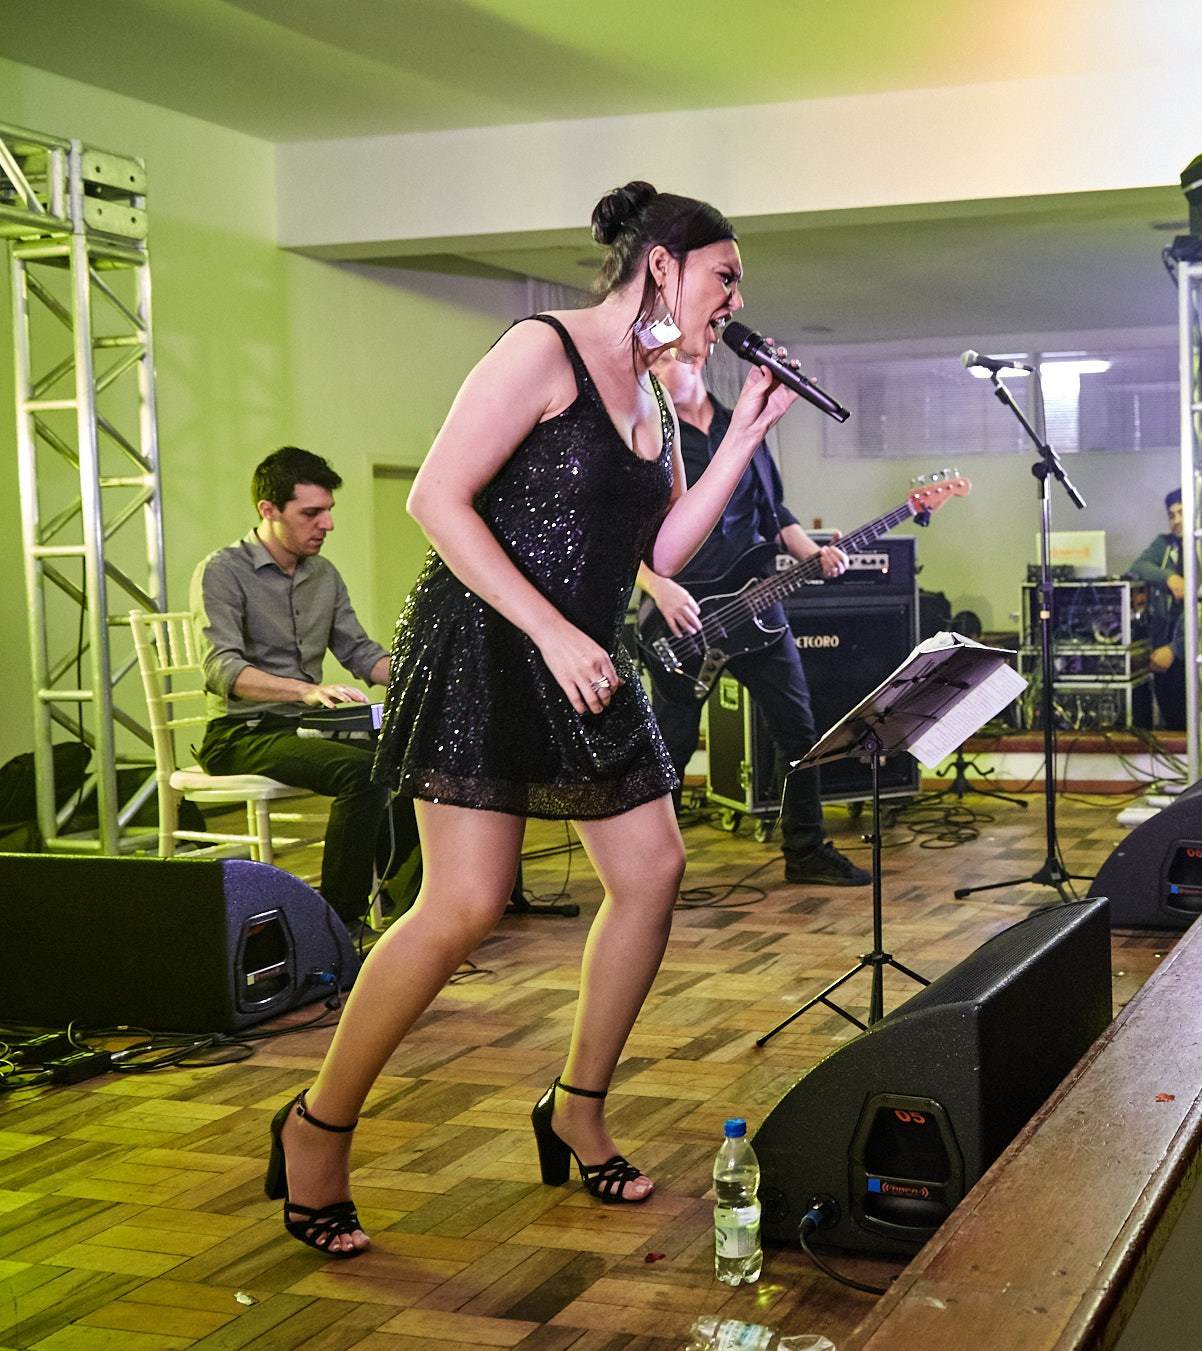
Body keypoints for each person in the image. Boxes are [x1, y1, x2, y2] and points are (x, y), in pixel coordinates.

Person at [263, 183, 800, 1258]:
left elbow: (666, 548)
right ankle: (317, 1125)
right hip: (487, 645)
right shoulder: (542, 348)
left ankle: (576, 1106)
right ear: (661, 265)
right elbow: (434, 498)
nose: (736, 299)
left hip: (584, 651)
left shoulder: (657, 394)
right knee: (462, 905)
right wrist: (550, 631)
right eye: (725, 275)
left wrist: (743, 432)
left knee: (652, 870)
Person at [634, 349, 868, 886]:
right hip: (682, 611)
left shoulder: (743, 429)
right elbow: (620, 533)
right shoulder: (650, 437)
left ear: (697, 362)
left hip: (754, 603)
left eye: (672, 359)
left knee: (800, 733)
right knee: (671, 745)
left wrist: (813, 553)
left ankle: (806, 851)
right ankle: (649, 872)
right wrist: (658, 588)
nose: (663, 369)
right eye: (656, 362)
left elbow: (774, 512)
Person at [193, 447, 418, 925]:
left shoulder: (324, 576)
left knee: (410, 756)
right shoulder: (223, 570)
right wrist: (303, 691)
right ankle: (339, 924)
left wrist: (424, 676)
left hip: (304, 729)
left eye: (328, 511)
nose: (327, 524)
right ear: (268, 510)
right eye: (311, 513)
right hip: (240, 735)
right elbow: (221, 669)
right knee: (364, 774)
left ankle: (403, 896)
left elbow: (360, 652)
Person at [1126, 488, 1202, 730]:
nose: (1176, 520)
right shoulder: (1164, 547)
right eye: (1171, 515)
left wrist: (1175, 649)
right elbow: (1139, 567)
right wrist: (1170, 578)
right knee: (1174, 731)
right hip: (1166, 661)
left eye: (1182, 512)